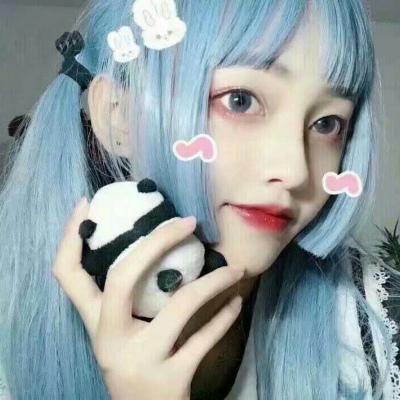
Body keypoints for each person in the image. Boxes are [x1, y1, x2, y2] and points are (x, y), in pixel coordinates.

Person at [0, 0, 399, 399]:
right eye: (240, 100)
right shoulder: (10, 345)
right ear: (117, 116)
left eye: (328, 123)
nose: (297, 172)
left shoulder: (374, 326)